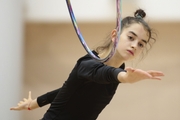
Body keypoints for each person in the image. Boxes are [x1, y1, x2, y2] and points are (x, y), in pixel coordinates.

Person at [10, 9, 164, 120]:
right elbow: (106, 73)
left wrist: (34, 103)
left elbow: (68, 89)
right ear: (114, 35)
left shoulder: (120, 69)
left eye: (141, 44)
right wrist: (124, 78)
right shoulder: (88, 64)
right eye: (131, 37)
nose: (135, 46)